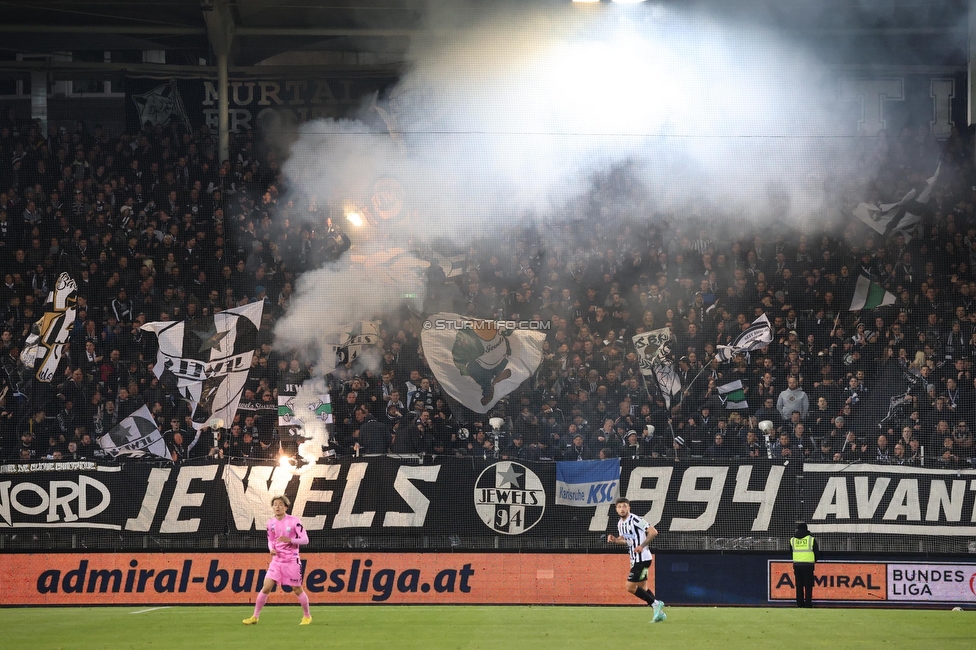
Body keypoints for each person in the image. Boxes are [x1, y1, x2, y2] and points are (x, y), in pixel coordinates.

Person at [243, 495, 312, 626]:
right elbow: (270, 539)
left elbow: (305, 540)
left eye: (280, 504)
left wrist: (290, 540)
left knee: (297, 589)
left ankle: (307, 616)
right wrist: (271, 549)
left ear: (286, 507)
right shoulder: (270, 523)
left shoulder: (294, 521)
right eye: (275, 504)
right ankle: (255, 617)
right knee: (266, 587)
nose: (277, 507)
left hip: (291, 560)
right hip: (277, 561)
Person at [607, 497, 666, 623]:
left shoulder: (635, 519)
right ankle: (659, 613)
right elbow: (627, 541)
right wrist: (615, 540)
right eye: (619, 507)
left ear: (629, 507)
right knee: (642, 588)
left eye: (624, 506)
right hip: (635, 559)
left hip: (643, 558)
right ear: (616, 509)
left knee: (629, 587)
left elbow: (653, 532)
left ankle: (656, 604)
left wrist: (642, 546)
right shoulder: (620, 523)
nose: (622, 509)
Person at [789, 521, 819, 608]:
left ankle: (799, 604)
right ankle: (808, 604)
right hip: (808, 565)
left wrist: (796, 559)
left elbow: (791, 552)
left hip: (797, 564)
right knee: (808, 585)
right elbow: (816, 552)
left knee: (799, 585)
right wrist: (813, 560)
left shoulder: (792, 540)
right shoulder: (811, 539)